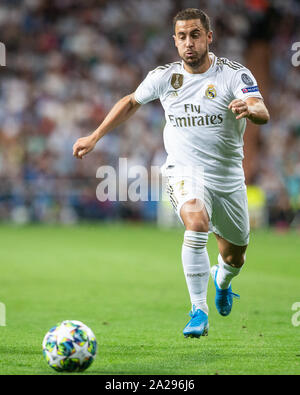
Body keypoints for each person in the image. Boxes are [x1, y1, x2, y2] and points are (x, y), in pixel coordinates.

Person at [73, 8, 270, 338]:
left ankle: (221, 281)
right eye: (182, 37)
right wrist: (95, 135)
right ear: (175, 42)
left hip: (227, 177)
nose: (188, 43)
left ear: (209, 37)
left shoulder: (234, 74)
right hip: (184, 170)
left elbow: (262, 110)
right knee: (196, 222)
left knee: (235, 257)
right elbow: (132, 102)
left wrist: (250, 108)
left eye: (195, 35)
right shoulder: (165, 77)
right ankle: (198, 311)